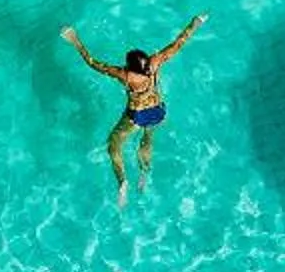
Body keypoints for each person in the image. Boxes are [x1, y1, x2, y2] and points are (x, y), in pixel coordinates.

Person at [64, 15, 205, 203]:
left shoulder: (125, 75)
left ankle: (122, 181)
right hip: (158, 111)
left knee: (113, 145)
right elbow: (178, 43)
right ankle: (144, 173)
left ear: (130, 67)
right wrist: (195, 23)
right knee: (148, 138)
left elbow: (93, 63)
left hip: (136, 115)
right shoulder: (155, 62)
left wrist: (75, 41)